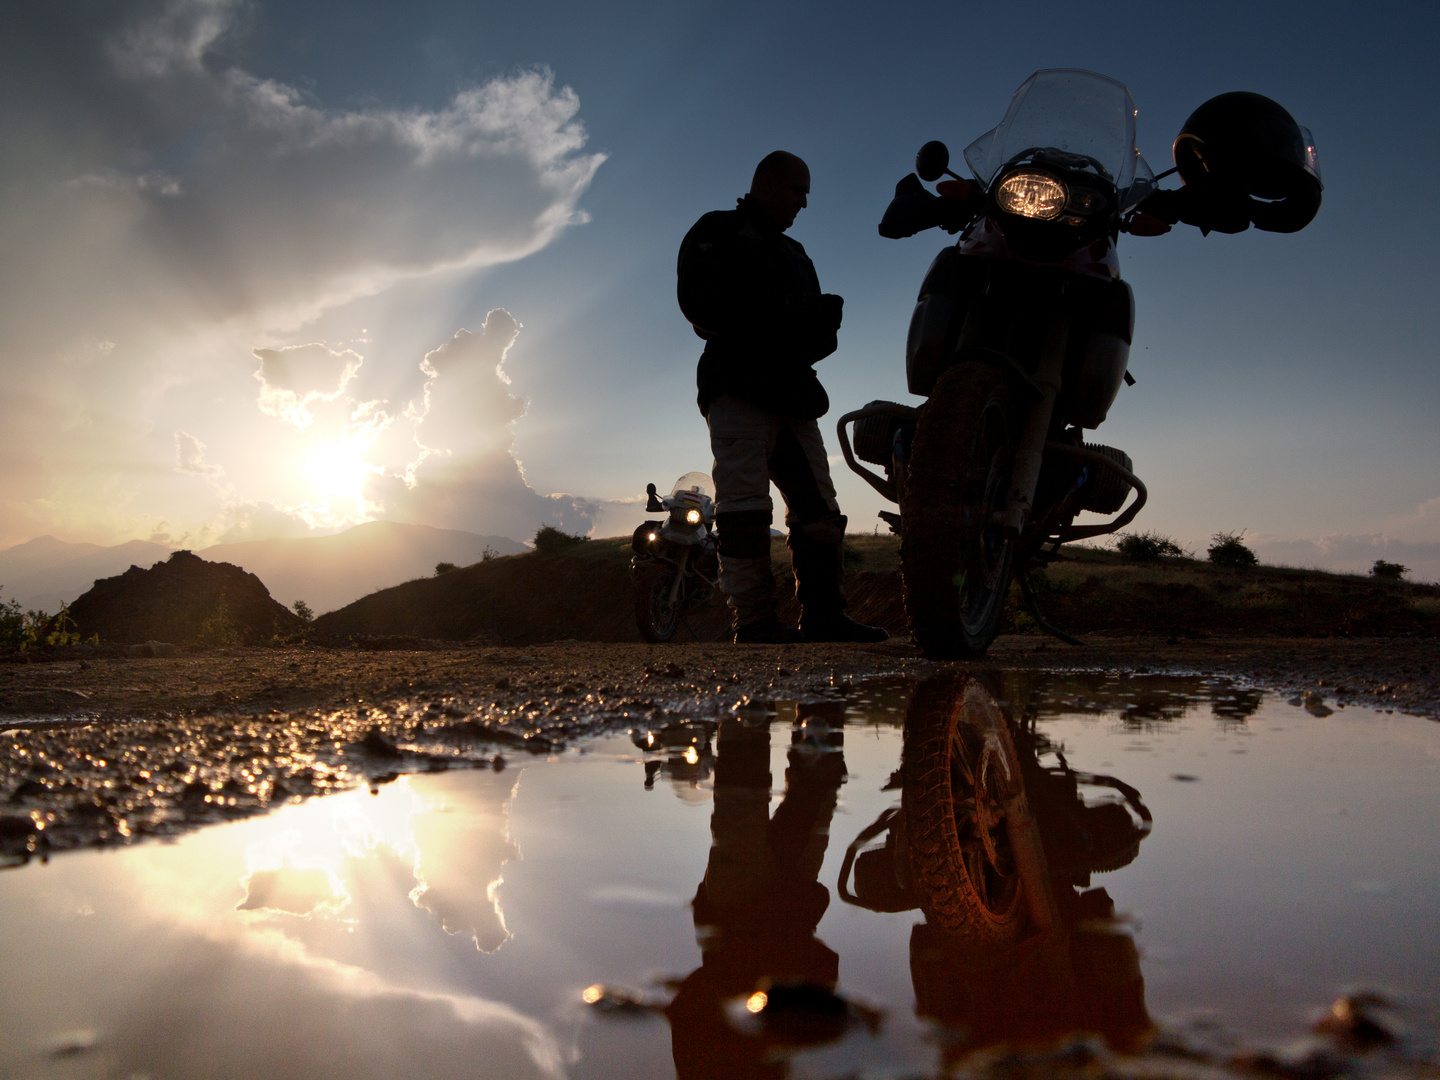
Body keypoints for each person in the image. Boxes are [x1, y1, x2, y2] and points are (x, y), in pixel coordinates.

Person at [677, 151, 888, 644]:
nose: (804, 203)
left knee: (820, 509)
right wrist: (785, 313)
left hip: (793, 394)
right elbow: (700, 306)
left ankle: (824, 616)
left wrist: (820, 324)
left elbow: (810, 342)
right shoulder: (717, 231)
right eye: (797, 191)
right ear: (767, 184)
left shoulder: (796, 255)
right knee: (744, 506)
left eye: (807, 194)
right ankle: (753, 621)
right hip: (737, 387)